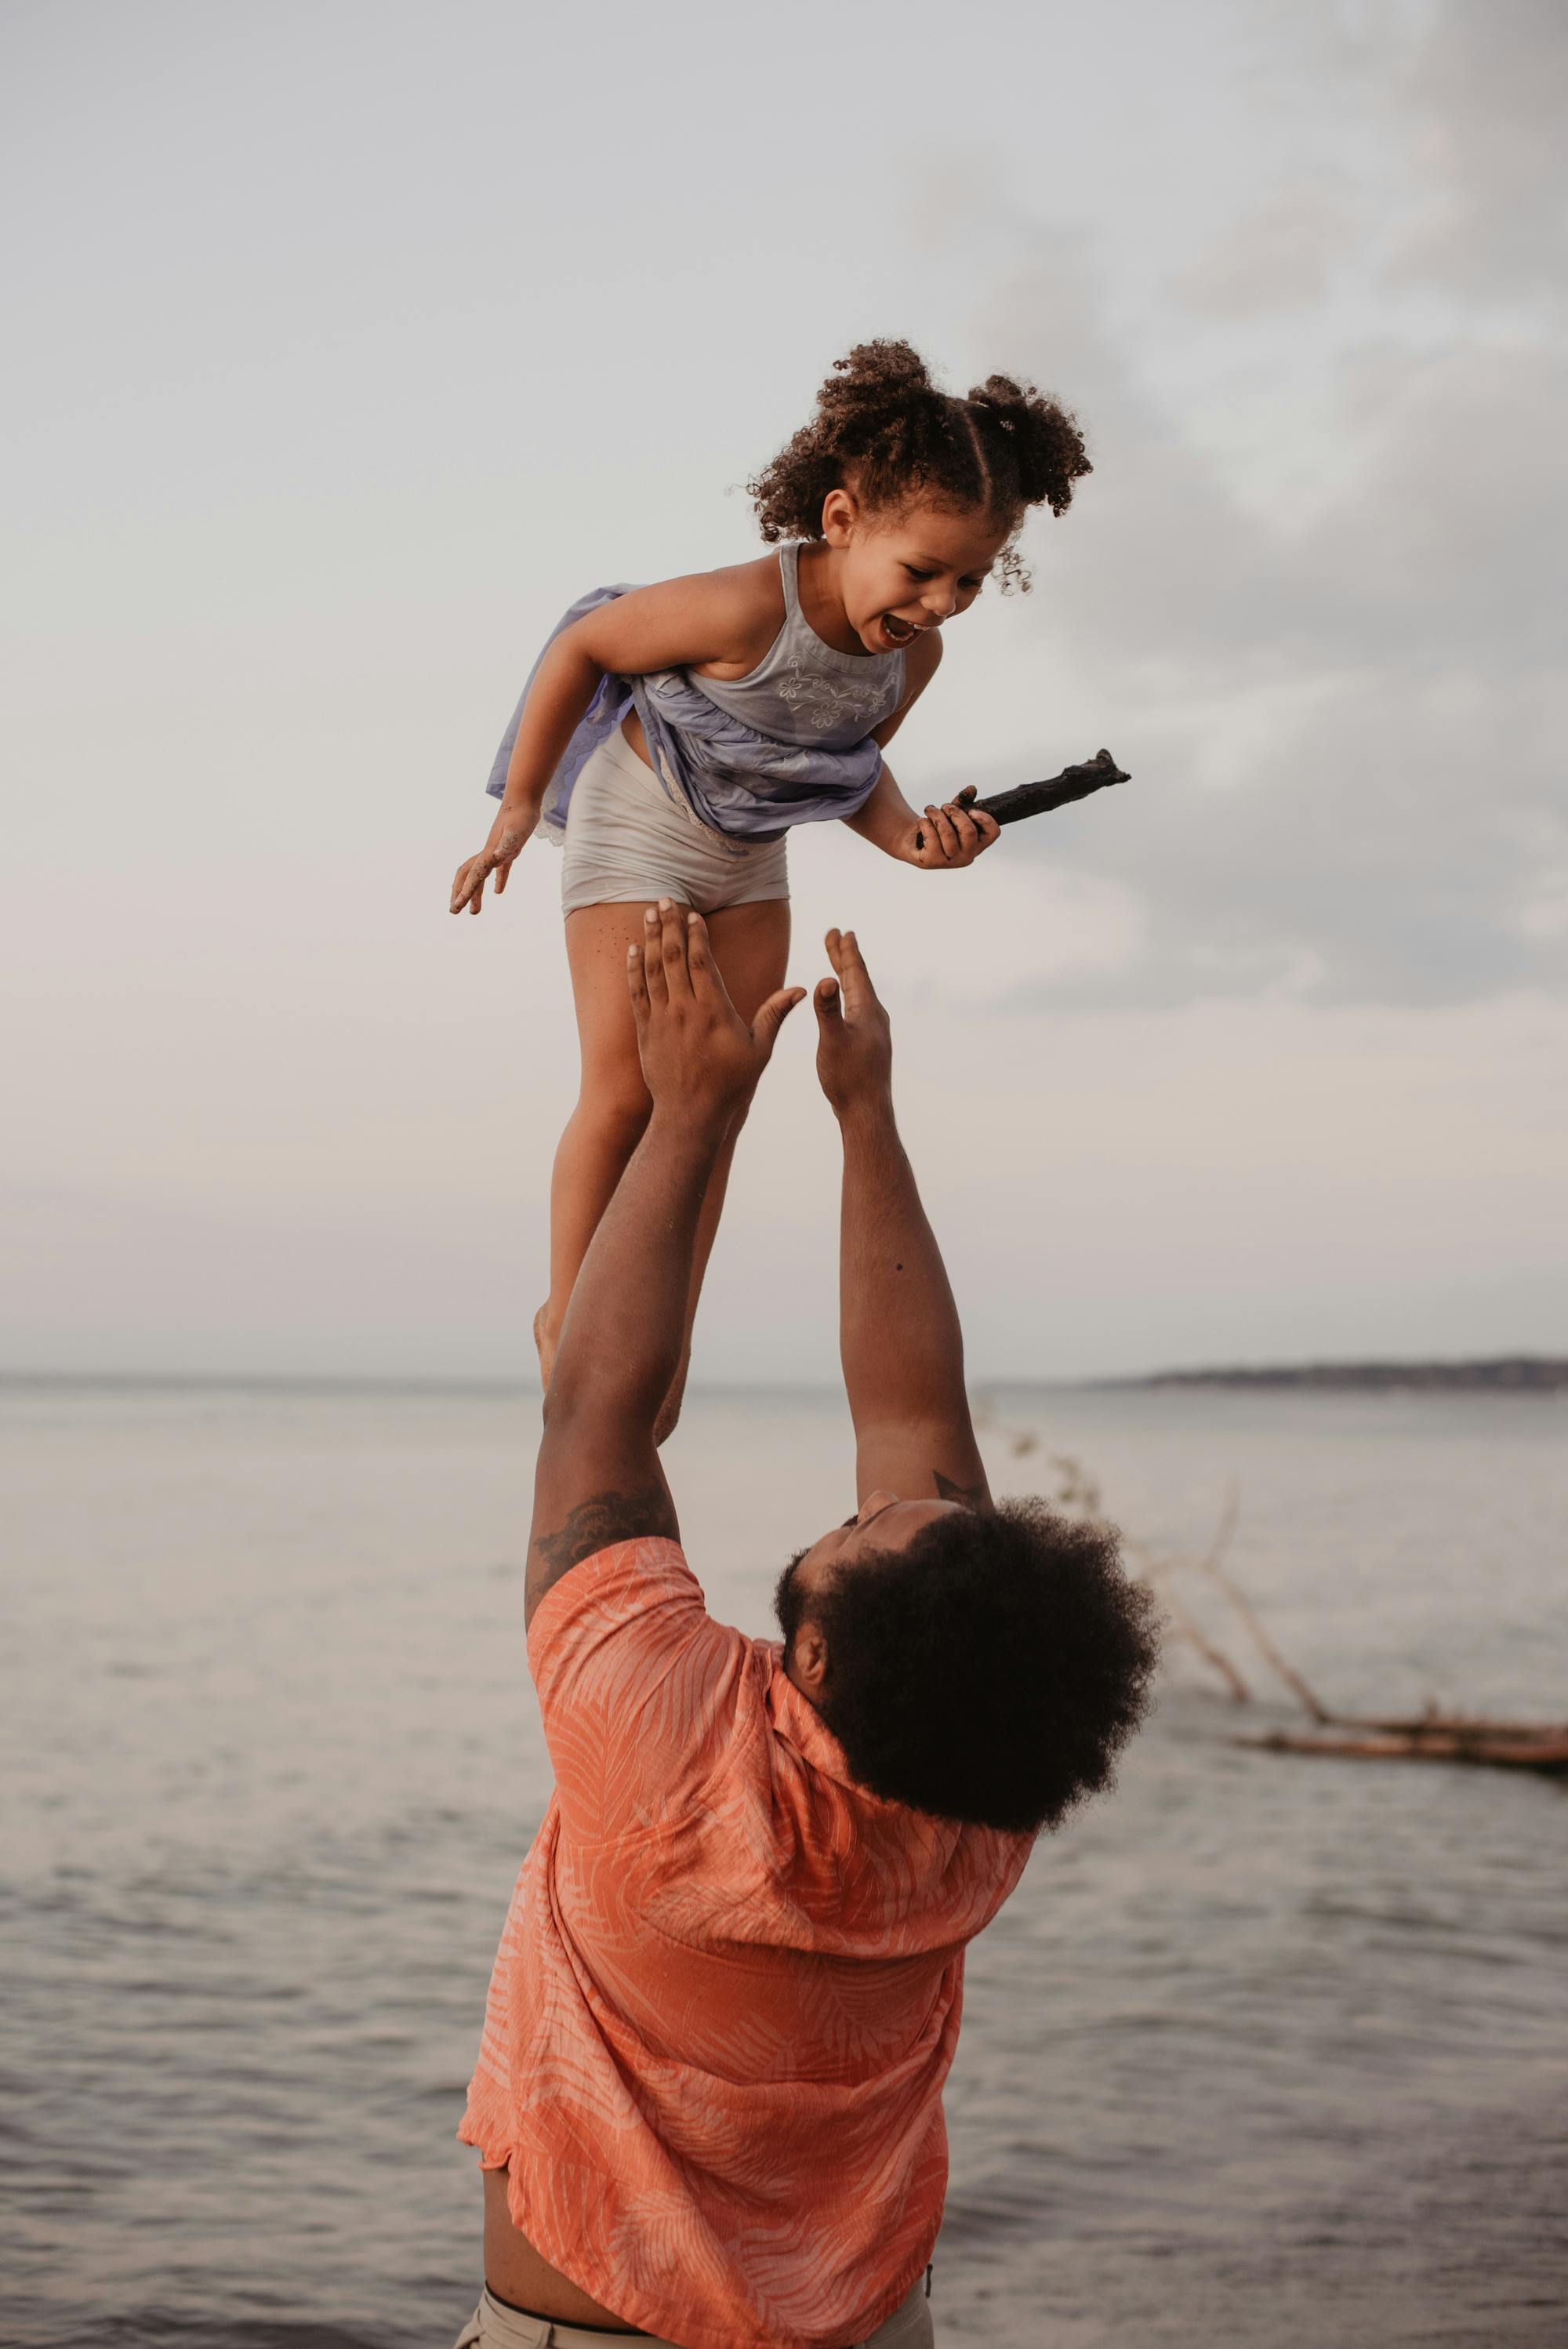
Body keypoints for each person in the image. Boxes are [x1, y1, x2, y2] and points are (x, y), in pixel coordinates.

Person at [454, 909, 1158, 2349]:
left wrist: (696, 1114)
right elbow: (910, 1417)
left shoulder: (660, 1743)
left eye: (864, 1533)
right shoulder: (978, 1799)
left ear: (816, 1660)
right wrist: (865, 1118)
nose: (866, 1508)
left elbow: (593, 1409)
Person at [448, 339, 1091, 1432]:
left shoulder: (909, 661)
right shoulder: (750, 606)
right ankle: (570, 1313)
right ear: (842, 522)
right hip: (640, 822)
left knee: (720, 1096)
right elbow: (587, 645)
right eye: (922, 570)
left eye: (970, 580)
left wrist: (918, 843)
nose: (941, 602)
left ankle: (664, 1327)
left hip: (750, 855)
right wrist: (517, 805)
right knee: (626, 1084)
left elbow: (846, 771)